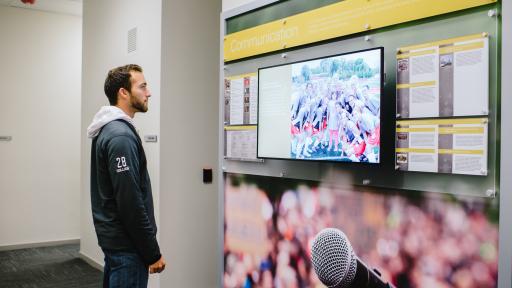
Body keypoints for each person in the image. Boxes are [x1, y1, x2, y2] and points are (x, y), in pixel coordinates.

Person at [87, 64, 166, 287]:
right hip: (128, 249)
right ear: (123, 92)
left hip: (119, 245)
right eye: (142, 87)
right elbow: (130, 201)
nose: (148, 92)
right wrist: (152, 252)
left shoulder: (110, 129)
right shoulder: (120, 136)